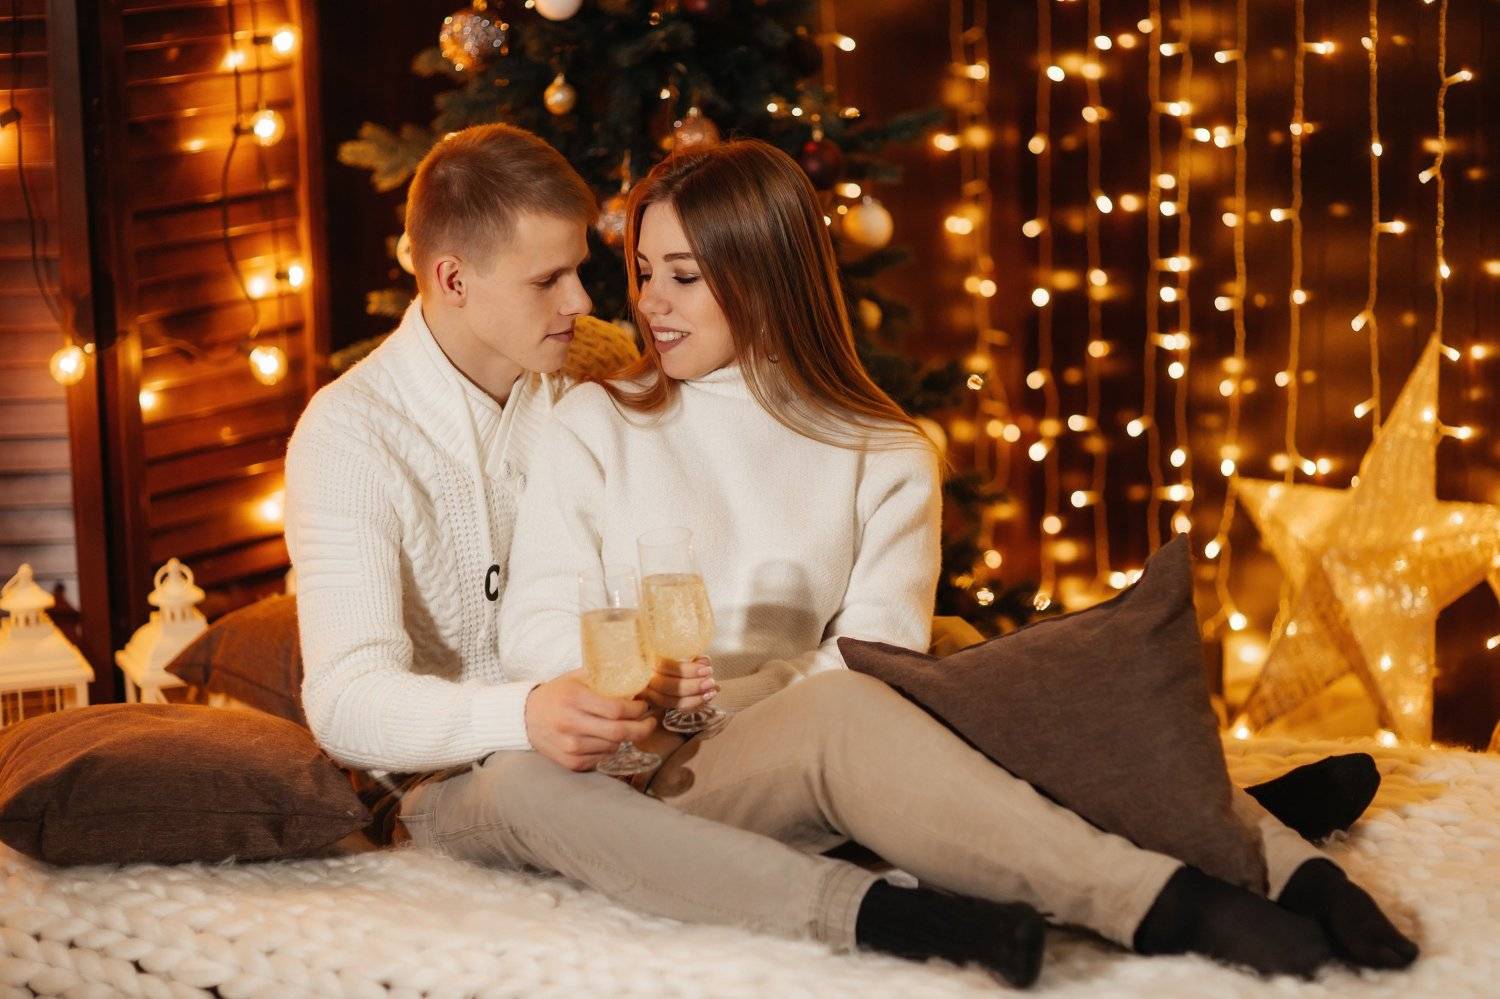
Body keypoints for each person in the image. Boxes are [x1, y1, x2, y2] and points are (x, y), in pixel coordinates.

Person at [492, 139, 1418, 978]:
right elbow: (538, 629)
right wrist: (651, 699)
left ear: (765, 276)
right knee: (862, 704)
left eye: (683, 276)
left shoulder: (883, 450)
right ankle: (1165, 901)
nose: (648, 302)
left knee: (983, 667)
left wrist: (741, 691)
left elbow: (878, 653)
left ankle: (1290, 866)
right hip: (660, 772)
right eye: (642, 271)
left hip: (810, 723)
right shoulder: (594, 424)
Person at [285, 123, 1050, 989]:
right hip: (461, 777)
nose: (588, 301)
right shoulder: (350, 436)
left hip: (629, 737)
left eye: (584, 268)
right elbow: (343, 700)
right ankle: (883, 914)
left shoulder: (583, 370)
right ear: (453, 279)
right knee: (542, 787)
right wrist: (525, 714)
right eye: (548, 280)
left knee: (942, 652)